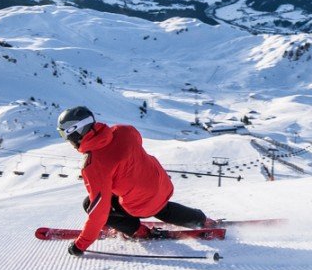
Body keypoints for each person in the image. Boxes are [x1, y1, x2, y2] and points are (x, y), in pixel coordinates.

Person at [57, 106, 216, 256]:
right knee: (161, 207)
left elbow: (99, 211)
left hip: (141, 204)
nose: (67, 141)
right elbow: (135, 141)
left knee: (89, 204)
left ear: (76, 132)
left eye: (65, 135)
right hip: (161, 184)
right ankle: (202, 220)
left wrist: (80, 246)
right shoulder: (122, 130)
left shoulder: (93, 165)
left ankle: (140, 232)